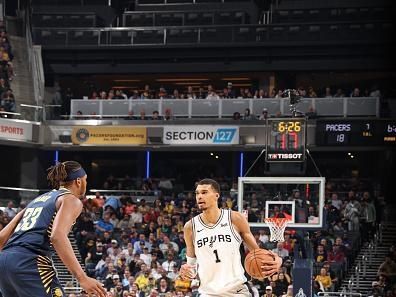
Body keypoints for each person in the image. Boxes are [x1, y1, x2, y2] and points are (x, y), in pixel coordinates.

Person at [0, 161, 106, 297]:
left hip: (4, 261)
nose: (86, 183)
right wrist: (82, 278)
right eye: (86, 180)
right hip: (29, 261)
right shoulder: (70, 199)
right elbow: (57, 236)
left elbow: (2, 237)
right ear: (78, 181)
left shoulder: (37, 200)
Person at [180, 178, 282, 296]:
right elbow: (191, 266)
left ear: (216, 195)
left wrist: (277, 260)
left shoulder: (235, 219)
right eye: (197, 193)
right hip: (208, 293)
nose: (199, 196)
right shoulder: (190, 227)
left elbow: (257, 253)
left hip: (236, 291)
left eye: (204, 192)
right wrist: (187, 272)